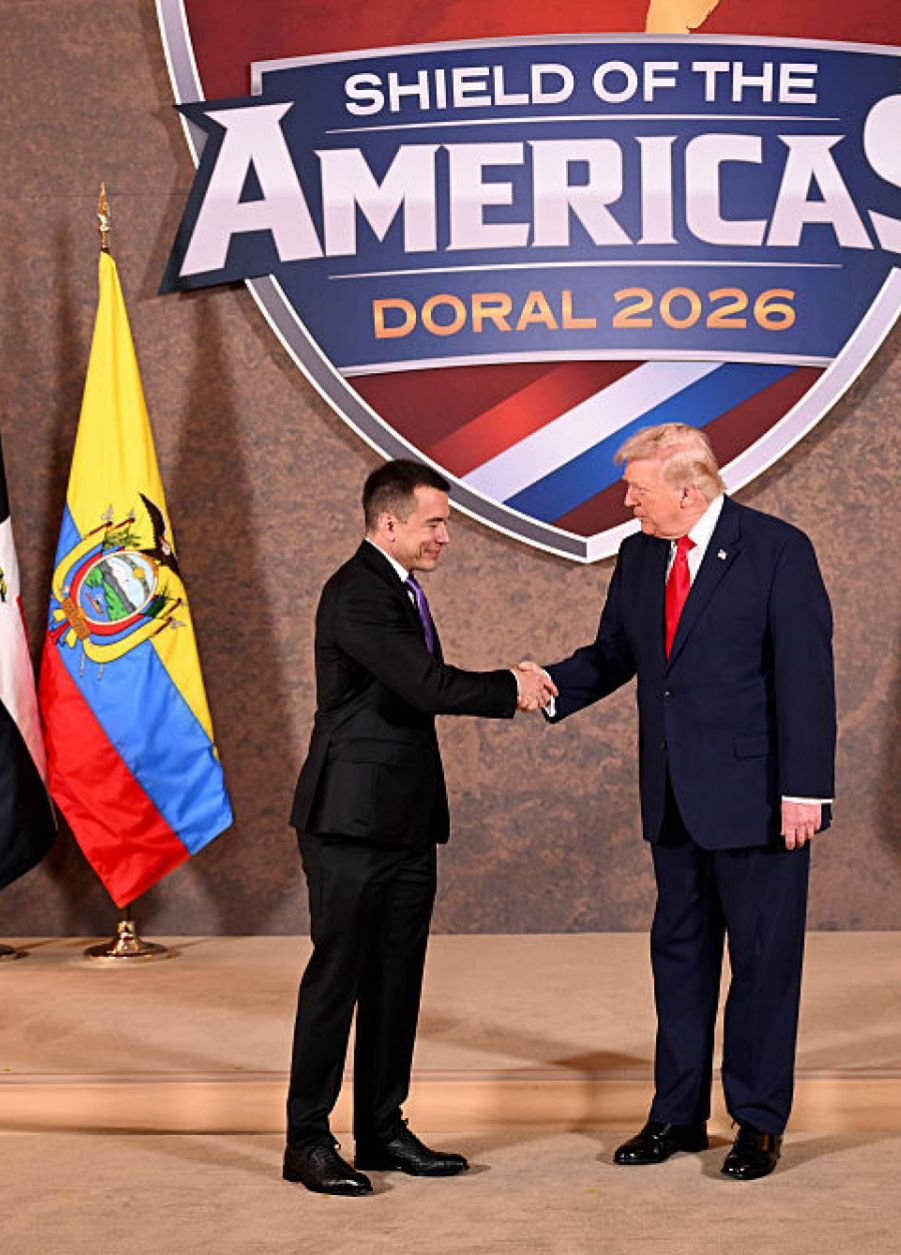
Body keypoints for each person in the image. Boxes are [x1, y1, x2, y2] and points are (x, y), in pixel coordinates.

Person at [538, 423, 834, 1181]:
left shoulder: (776, 549)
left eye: (636, 487)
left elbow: (806, 675)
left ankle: (758, 1122)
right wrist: (539, 687)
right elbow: (616, 656)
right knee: (679, 958)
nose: (626, 499)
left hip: (762, 802)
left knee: (764, 964)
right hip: (672, 799)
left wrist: (805, 791)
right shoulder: (640, 556)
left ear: (688, 490)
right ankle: (676, 1114)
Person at [283, 459, 556, 1197]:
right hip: (346, 822)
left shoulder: (399, 591)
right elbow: (423, 685)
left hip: (404, 823)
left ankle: (381, 1127)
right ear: (389, 523)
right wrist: (512, 688)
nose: (446, 535)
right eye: (435, 522)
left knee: (397, 980)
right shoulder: (357, 595)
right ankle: (307, 1140)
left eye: (446, 523)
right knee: (336, 981)